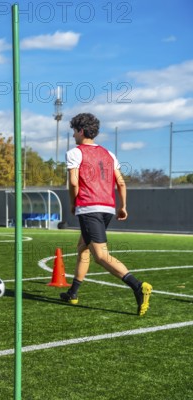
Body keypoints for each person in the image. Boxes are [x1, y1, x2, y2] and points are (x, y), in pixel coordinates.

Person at [61, 113, 152, 316]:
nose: (73, 135)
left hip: (89, 208)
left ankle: (138, 287)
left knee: (100, 256)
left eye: (74, 131)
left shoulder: (75, 153)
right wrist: (123, 206)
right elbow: (120, 182)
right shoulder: (109, 154)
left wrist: (73, 204)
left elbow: (74, 182)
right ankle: (73, 293)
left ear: (80, 131)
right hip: (107, 209)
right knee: (83, 248)